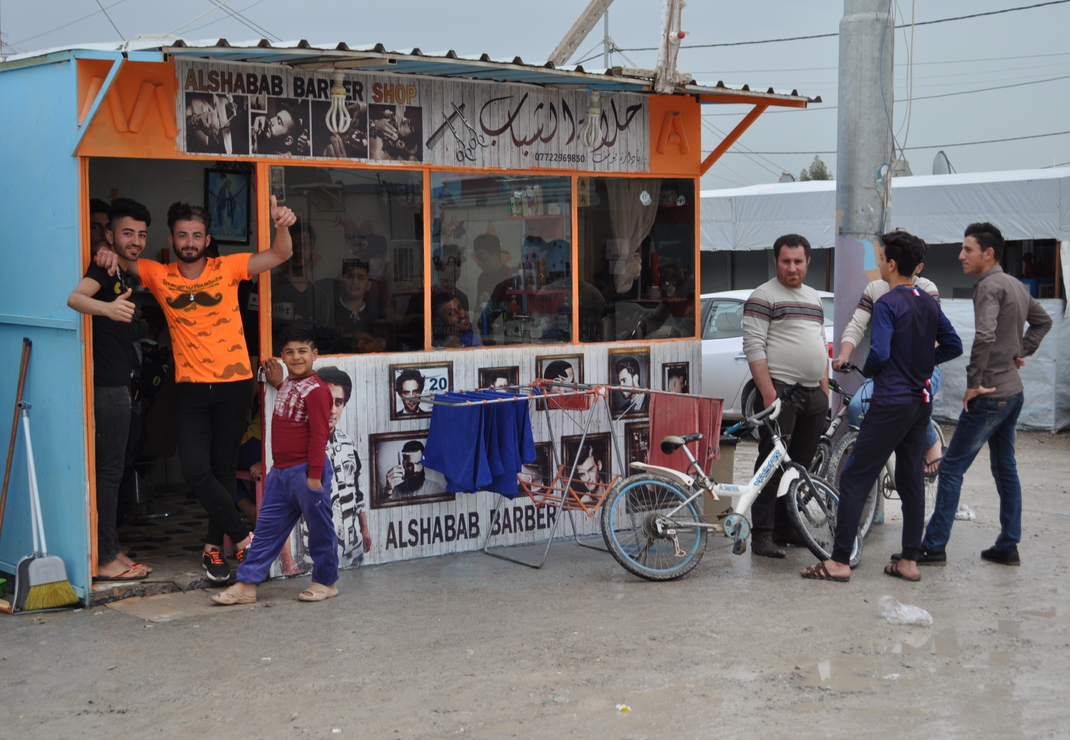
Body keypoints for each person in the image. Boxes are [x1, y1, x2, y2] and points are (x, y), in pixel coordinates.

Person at [96, 196, 297, 582]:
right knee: (194, 470)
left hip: (234, 384)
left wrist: (283, 224)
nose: (189, 241)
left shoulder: (229, 267)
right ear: (171, 239)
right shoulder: (157, 273)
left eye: (197, 235)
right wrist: (105, 250)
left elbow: (279, 253)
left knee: (222, 470)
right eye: (182, 235)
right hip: (190, 387)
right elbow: (113, 256)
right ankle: (243, 536)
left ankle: (212, 550)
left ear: (207, 240)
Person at [800, 231, 962, 583]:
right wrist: (920, 362)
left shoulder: (888, 302)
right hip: (920, 403)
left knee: (856, 476)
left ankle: (839, 561)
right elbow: (953, 345)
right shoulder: (929, 301)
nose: (879, 264)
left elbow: (881, 353)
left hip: (890, 402)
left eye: (881, 258)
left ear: (892, 264)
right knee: (910, 480)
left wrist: (872, 370)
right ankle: (908, 561)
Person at [911, 222, 1052, 567]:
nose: (961, 255)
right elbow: (1043, 321)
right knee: (1006, 469)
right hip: (1012, 392)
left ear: (988, 253)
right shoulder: (1014, 284)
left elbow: (986, 335)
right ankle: (1008, 545)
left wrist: (974, 381)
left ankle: (934, 545)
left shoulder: (989, 286)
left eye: (967, 249)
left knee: (952, 467)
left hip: (989, 394)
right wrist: (1022, 351)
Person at [211, 325, 339, 605]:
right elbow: (292, 398)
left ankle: (326, 581)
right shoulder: (291, 384)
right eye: (289, 352)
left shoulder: (317, 390)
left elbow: (320, 434)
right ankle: (246, 585)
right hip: (281, 474)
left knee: (320, 531)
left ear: (315, 354)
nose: (296, 357)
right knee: (266, 531)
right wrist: (279, 382)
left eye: (303, 351)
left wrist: (315, 477)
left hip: (307, 472)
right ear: (282, 355)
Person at [67, 198, 152, 582]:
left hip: (120, 383)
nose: (135, 241)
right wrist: (107, 310)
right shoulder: (101, 269)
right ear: (109, 234)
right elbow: (74, 298)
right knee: (109, 472)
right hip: (106, 387)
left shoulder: (119, 271)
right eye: (127, 233)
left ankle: (111, 549)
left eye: (141, 235)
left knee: (114, 471)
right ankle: (104, 557)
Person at [742, 234, 829, 558]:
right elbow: (753, 347)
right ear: (776, 261)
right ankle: (762, 534)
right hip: (782, 394)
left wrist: (824, 390)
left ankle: (787, 526)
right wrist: (768, 394)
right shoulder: (763, 296)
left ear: (808, 262)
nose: (792, 268)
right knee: (771, 463)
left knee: (799, 467)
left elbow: (819, 344)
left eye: (798, 261)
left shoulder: (814, 297)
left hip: (813, 395)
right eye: (786, 261)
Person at [834, 260, 945, 474]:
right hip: (887, 371)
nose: (883, 263)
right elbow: (857, 325)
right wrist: (843, 354)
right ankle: (863, 467)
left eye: (887, 259)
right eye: (884, 258)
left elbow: (936, 331)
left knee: (911, 403)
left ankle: (931, 442)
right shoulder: (876, 289)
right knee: (857, 407)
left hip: (923, 369)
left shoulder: (926, 289)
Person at [309, 366, 371, 568]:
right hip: (315, 550)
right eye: (326, 401)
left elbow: (357, 491)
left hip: (353, 549)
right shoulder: (302, 442)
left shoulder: (347, 443)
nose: (332, 409)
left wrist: (365, 529)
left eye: (338, 402)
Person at [331, 259, 379, 353]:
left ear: (368, 285)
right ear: (341, 282)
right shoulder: (330, 311)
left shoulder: (375, 314)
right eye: (350, 277)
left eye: (360, 278)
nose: (354, 282)